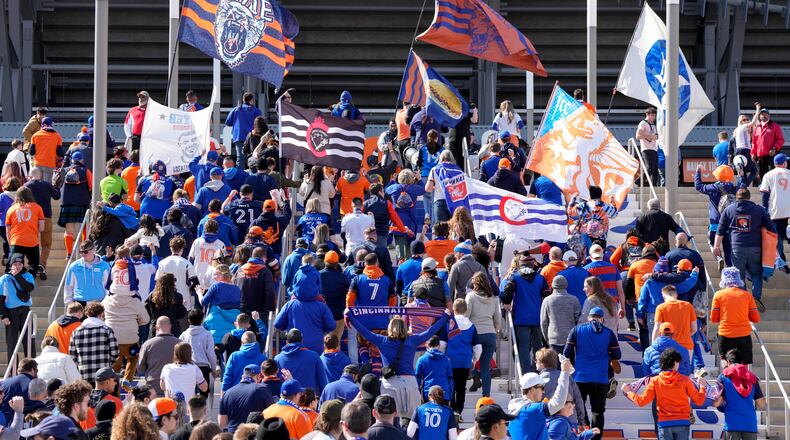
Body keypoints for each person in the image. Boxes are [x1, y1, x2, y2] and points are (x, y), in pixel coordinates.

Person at [348, 312, 449, 422]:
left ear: (390, 328)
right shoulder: (412, 340)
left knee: (388, 421)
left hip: (390, 384)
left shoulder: (382, 341)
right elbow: (430, 331)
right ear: (404, 327)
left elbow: (364, 332)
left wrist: (351, 317)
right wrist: (445, 317)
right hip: (410, 384)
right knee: (414, 423)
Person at [622, 349, 707, 440]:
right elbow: (699, 401)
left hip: (664, 423)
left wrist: (628, 392)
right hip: (682, 422)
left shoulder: (655, 381)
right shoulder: (685, 380)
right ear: (675, 363)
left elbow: (641, 402)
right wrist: (702, 386)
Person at [563, 308, 622, 438]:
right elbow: (617, 354)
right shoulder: (609, 333)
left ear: (588, 317)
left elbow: (566, 353)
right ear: (602, 319)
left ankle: (585, 433)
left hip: (580, 378)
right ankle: (596, 437)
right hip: (601, 379)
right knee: (598, 412)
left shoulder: (577, 330)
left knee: (579, 408)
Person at [715, 188, 774, 310]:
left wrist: (716, 246)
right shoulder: (759, 209)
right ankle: (756, 298)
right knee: (756, 273)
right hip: (755, 247)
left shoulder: (728, 210)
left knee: (739, 274)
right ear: (749, 197)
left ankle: (743, 300)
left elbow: (719, 230)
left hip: (737, 248)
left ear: (737, 197)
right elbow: (771, 228)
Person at [274, 258, 335, 354]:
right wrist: (321, 329)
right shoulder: (322, 306)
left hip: (294, 349)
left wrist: (289, 326)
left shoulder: (289, 305)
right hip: (316, 349)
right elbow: (331, 325)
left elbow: (277, 324)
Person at [502, 253, 549, 374]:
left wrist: (506, 303)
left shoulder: (515, 277)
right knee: (538, 347)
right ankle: (539, 371)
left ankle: (526, 373)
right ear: (533, 264)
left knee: (523, 346)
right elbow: (547, 296)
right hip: (537, 318)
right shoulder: (540, 278)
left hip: (521, 319)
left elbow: (506, 291)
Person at [507, 358, 573, 440]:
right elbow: (558, 402)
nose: (543, 391)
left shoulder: (514, 411)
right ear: (532, 390)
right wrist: (565, 373)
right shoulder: (532, 409)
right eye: (541, 387)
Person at [711, 268, 761, 365]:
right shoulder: (747, 295)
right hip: (744, 335)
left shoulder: (718, 295)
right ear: (739, 279)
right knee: (744, 367)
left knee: (726, 365)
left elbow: (713, 319)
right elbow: (756, 318)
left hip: (725, 335)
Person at [713, 348, 765, 439]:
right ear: (742, 362)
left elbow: (716, 402)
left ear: (728, 362)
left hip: (732, 424)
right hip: (750, 424)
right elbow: (761, 404)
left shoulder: (723, 377)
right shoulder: (753, 378)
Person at [695, 164, 737, 269]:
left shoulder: (712, 188)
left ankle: (719, 258)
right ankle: (730, 268)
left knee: (712, 242)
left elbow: (698, 186)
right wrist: (741, 175)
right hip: (729, 223)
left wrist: (698, 172)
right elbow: (744, 185)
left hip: (715, 223)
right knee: (728, 247)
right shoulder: (734, 188)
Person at [465, 272, 500, 396]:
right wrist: (497, 329)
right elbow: (498, 319)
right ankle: (486, 395)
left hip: (475, 334)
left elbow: (466, 316)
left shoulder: (470, 297)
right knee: (485, 368)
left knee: (469, 361)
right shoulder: (494, 299)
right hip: (490, 333)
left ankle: (474, 377)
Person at [536, 348, 586, 430]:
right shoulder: (568, 377)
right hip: (570, 420)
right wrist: (581, 421)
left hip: (549, 422)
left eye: (536, 360)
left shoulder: (538, 381)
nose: (535, 362)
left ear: (541, 363)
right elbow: (578, 399)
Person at [68, 302, 119, 381]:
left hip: (84, 374)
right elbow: (115, 353)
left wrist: (79, 366)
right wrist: (108, 364)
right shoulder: (107, 330)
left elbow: (72, 355)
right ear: (101, 314)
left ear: (87, 314)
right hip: (104, 375)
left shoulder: (76, 332)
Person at [24, 167, 59, 278]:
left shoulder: (26, 186)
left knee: (30, 242)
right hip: (46, 217)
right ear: (41, 175)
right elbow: (57, 196)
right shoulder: (46, 184)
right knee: (46, 244)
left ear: (30, 176)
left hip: (31, 218)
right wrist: (55, 185)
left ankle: (32, 265)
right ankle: (42, 265)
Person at [5, 187, 44, 277]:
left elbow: (8, 230)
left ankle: (16, 284)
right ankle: (29, 282)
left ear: (17, 196)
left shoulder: (11, 209)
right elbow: (42, 228)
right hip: (32, 242)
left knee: (15, 266)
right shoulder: (38, 208)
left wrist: (10, 244)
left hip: (16, 241)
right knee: (33, 265)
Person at [274, 329, 328, 394]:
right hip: (308, 401)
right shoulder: (314, 356)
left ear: (287, 342)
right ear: (302, 341)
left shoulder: (277, 359)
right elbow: (322, 382)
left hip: (286, 400)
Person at [178, 310, 218, 397]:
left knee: (189, 395)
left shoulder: (183, 335)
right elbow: (211, 354)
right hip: (204, 368)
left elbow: (179, 352)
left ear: (188, 320)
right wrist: (214, 369)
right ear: (202, 320)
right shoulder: (207, 335)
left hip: (188, 367)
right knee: (203, 397)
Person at [0, 253, 35, 353]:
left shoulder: (28, 276)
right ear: (11, 265)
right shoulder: (4, 279)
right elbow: (1, 299)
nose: (17, 266)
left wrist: (17, 276)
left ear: (23, 265)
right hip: (11, 312)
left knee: (29, 341)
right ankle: (12, 369)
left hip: (25, 311)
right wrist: (3, 315)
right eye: (15, 264)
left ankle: (31, 367)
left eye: (20, 264)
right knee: (12, 344)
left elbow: (28, 288)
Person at [760, 153, 790, 263]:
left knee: (778, 241)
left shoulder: (768, 175)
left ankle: (783, 265)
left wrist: (765, 211)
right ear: (784, 163)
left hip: (775, 213)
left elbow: (764, 195)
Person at [138, 317, 180, 394]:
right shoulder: (180, 344)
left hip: (153, 386)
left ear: (156, 327)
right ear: (170, 326)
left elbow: (140, 368)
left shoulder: (148, 344)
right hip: (174, 385)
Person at [652, 285, 697, 359]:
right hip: (686, 345)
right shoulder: (688, 306)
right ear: (676, 294)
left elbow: (657, 328)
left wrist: (653, 345)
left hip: (668, 346)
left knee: (668, 369)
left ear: (663, 295)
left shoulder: (661, 307)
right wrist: (685, 335)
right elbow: (694, 329)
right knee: (685, 369)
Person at [541, 275, 581, 354]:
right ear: (566, 285)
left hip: (553, 337)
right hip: (570, 337)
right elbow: (579, 320)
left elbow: (544, 322)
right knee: (569, 364)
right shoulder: (574, 299)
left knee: (555, 364)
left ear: (553, 285)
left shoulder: (547, 300)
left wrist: (547, 338)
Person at [226, 92, 263, 168]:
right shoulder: (256, 111)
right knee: (254, 157)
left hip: (239, 137)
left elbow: (228, 122)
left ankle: (240, 177)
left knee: (240, 158)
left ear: (243, 99)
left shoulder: (235, 110)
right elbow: (261, 124)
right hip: (253, 137)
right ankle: (253, 175)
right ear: (252, 100)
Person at [415, 336, 454, 401]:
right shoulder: (446, 360)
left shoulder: (421, 360)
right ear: (439, 345)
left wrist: (418, 392)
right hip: (444, 393)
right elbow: (450, 378)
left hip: (428, 393)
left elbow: (417, 378)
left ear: (426, 345)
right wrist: (450, 394)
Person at [424, 150, 459, 222]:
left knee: (441, 230)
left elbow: (428, 189)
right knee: (454, 228)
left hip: (439, 201)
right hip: (454, 201)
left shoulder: (435, 170)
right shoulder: (457, 170)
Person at [751, 107, 785, 180]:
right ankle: (765, 190)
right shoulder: (757, 127)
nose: (764, 116)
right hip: (760, 156)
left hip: (771, 155)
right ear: (759, 116)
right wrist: (753, 153)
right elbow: (754, 142)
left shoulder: (775, 126)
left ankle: (773, 189)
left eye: (766, 114)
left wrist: (774, 148)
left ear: (769, 116)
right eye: (762, 114)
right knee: (762, 174)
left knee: (772, 173)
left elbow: (780, 140)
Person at [29, 117, 65, 183]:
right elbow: (60, 153)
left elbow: (31, 152)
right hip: (50, 164)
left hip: (38, 164)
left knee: (38, 185)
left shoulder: (35, 135)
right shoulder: (57, 136)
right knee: (47, 186)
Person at [636, 106, 660, 186]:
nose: (653, 117)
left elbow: (656, 136)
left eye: (654, 115)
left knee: (655, 170)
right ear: (647, 114)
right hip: (646, 149)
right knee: (650, 168)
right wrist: (649, 136)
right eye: (652, 115)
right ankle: (637, 182)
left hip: (654, 148)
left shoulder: (653, 124)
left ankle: (654, 187)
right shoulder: (643, 123)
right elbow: (638, 136)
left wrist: (655, 137)